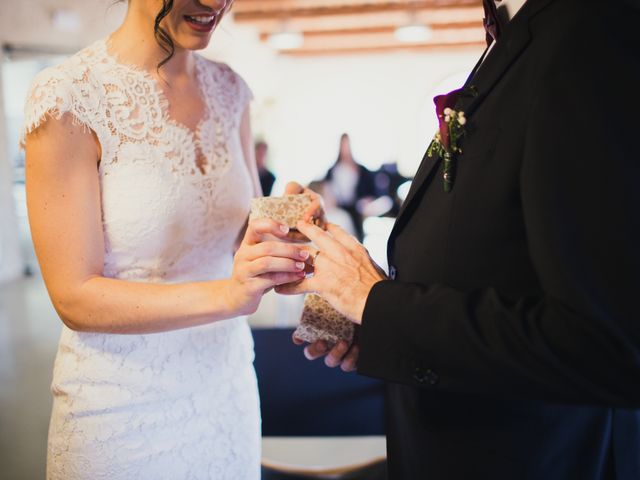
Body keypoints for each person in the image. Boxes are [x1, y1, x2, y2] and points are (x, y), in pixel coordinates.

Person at [279, 0, 640, 478]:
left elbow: (609, 346)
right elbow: (502, 258)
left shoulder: (590, 33)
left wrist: (375, 300)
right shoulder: (515, 36)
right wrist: (384, 325)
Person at [21, 1, 320, 478]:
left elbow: (241, 230)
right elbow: (74, 296)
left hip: (226, 391)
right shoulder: (70, 96)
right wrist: (228, 293)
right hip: (120, 412)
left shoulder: (230, 90)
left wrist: (287, 220)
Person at [323, 133, 377, 241]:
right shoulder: (332, 170)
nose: (345, 149)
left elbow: (372, 190)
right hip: (338, 208)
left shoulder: (361, 170)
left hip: (356, 209)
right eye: (343, 145)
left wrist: (367, 201)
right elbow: (326, 188)